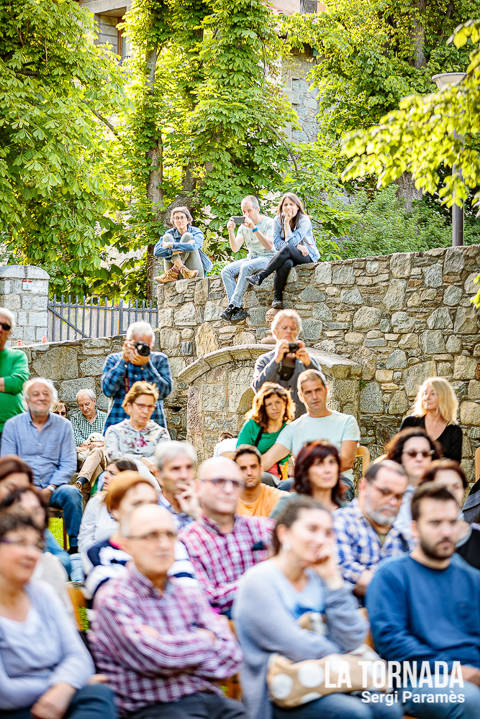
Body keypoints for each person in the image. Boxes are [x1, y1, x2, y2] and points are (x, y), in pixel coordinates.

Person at [234, 496, 400, 719]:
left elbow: (352, 638)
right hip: (278, 691)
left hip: (327, 680)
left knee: (387, 708)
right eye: (312, 529)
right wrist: (345, 660)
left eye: (327, 532)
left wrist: (333, 581)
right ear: (284, 534)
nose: (321, 539)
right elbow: (294, 645)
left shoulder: (320, 578)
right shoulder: (259, 581)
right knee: (353, 714)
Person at [90, 504, 245, 719]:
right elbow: (155, 657)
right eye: (151, 536)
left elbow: (231, 655)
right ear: (126, 545)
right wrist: (205, 640)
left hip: (210, 702)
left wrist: (167, 645)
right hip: (155, 709)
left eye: (170, 535)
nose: (163, 544)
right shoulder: (114, 599)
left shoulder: (188, 592)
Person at [366, 482, 480, 719]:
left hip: (473, 673)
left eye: (452, 522)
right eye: (436, 523)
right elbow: (392, 642)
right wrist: (454, 670)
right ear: (415, 529)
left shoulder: (471, 578)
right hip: (416, 680)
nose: (446, 532)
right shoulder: (391, 575)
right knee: (468, 698)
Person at [0, 512, 116, 718]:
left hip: (62, 694)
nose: (31, 554)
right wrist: (66, 684)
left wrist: (63, 688)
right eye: (20, 543)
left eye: (37, 545)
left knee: (100, 694)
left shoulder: (42, 593)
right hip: (14, 708)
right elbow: (4, 692)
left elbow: (79, 657)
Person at [179, 456, 272, 616]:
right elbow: (207, 602)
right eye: (219, 482)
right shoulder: (187, 542)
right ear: (197, 487)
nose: (229, 490)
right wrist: (262, 579)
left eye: (235, 483)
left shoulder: (264, 528)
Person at [83, 471, 195, 600]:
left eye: (152, 503)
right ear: (115, 510)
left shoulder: (171, 545)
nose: (147, 510)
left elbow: (190, 593)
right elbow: (116, 602)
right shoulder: (97, 554)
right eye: (137, 504)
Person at [1, 378, 81, 553]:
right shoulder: (12, 426)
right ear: (27, 400)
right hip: (23, 490)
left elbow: (68, 463)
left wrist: (51, 488)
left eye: (46, 394)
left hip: (54, 488)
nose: (41, 398)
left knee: (73, 493)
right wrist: (28, 488)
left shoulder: (64, 426)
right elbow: (8, 464)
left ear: (52, 400)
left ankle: (75, 550)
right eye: (35, 394)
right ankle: (33, 547)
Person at [262, 369, 360, 493]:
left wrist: (309, 472)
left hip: (337, 481)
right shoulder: (293, 428)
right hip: (303, 484)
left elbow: (347, 461)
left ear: (326, 390)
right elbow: (267, 460)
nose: (314, 397)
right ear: (301, 396)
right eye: (308, 392)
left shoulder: (346, 421)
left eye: (318, 390)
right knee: (274, 484)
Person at [333, 460, 410, 599]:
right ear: (363, 487)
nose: (392, 502)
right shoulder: (338, 522)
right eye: (385, 492)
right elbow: (342, 571)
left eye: (398, 496)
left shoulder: (403, 533)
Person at [0, 487, 73, 613]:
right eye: (21, 509)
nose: (29, 516)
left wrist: (51, 562)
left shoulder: (49, 570)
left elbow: (64, 560)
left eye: (36, 511)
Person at [246, 192, 320, 309]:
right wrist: (296, 246)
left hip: (308, 256)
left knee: (287, 248)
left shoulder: (304, 220)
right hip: (289, 255)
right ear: (281, 207)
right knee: (286, 263)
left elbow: (290, 243)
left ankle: (261, 276)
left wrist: (286, 224)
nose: (288, 207)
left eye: (291, 204)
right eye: (285, 205)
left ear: (297, 206)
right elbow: (276, 245)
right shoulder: (277, 220)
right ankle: (277, 299)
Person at [0, 454, 70, 572]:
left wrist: (44, 562)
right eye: (11, 488)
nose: (17, 497)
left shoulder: (28, 520)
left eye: (22, 491)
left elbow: (64, 560)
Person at [101, 320, 172, 432]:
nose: (141, 349)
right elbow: (108, 390)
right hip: (118, 427)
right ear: (128, 342)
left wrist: (147, 365)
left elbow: (164, 392)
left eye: (146, 345)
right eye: (138, 344)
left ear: (152, 345)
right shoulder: (114, 360)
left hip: (153, 430)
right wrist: (123, 362)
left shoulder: (159, 360)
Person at [252, 310, 320, 419]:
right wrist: (276, 361)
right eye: (284, 328)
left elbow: (321, 391)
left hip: (302, 425)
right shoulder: (264, 361)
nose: (289, 331)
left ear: (297, 333)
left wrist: (309, 364)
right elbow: (258, 388)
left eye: (293, 328)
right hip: (273, 427)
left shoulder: (307, 360)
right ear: (275, 333)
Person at [220, 195, 275, 323]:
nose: (246, 214)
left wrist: (254, 228)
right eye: (244, 211)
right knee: (226, 271)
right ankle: (237, 309)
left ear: (257, 209)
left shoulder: (269, 223)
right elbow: (235, 248)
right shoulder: (243, 227)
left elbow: (269, 246)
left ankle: (232, 305)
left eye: (249, 210)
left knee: (246, 267)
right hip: (251, 257)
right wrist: (230, 231)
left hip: (268, 257)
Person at [104, 381, 169, 485]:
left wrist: (131, 458)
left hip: (153, 487)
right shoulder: (114, 432)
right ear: (129, 406)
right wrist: (143, 461)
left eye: (150, 407)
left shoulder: (161, 434)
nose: (146, 411)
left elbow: (164, 461)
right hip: (120, 485)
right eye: (141, 406)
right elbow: (115, 459)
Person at [419, 459, 480, 570]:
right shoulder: (413, 535)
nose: (450, 492)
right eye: (442, 486)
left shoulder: (477, 537)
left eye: (456, 486)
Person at [385, 427, 441, 536]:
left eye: (425, 454)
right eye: (412, 453)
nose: (419, 458)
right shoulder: (386, 494)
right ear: (400, 456)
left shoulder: (441, 493)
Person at [271, 440, 347, 519]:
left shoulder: (345, 508)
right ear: (305, 471)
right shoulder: (288, 505)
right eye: (319, 464)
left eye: (332, 462)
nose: (328, 470)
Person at [237, 382, 295, 483]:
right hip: (251, 476)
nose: (274, 407)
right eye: (269, 404)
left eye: (278, 402)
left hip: (280, 478)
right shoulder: (252, 426)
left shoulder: (289, 429)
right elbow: (241, 457)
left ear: (285, 404)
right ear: (263, 407)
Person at [78, 458, 137, 555]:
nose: (105, 476)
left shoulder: (139, 506)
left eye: (112, 474)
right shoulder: (96, 502)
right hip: (93, 559)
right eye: (106, 472)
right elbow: (84, 539)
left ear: (127, 478)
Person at [400, 376, 462, 462]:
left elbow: (454, 464)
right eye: (425, 393)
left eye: (433, 393)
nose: (427, 397)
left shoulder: (454, 430)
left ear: (444, 398)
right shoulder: (410, 423)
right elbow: (397, 453)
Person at [153, 205, 212, 282]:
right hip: (176, 274)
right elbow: (156, 252)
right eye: (176, 218)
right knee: (167, 237)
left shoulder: (196, 232)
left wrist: (171, 245)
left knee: (187, 236)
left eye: (182, 217)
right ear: (173, 221)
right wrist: (174, 251)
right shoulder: (169, 233)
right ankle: (181, 269)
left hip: (194, 271)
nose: (179, 220)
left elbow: (193, 247)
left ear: (188, 220)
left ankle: (176, 269)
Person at [154, 440, 200, 529]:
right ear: (159, 476)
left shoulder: (206, 505)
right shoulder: (150, 508)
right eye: (175, 469)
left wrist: (197, 514)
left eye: (189, 467)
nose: (184, 476)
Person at [0, 307, 29, 442]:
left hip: (14, 431)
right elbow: (10, 383)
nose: (0, 329)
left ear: (10, 331)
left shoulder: (18, 356)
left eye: (5, 326)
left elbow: (17, 383)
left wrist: (11, 383)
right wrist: (6, 382)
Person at [71, 389, 108, 494]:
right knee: (95, 466)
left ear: (94, 401)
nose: (85, 408)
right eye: (81, 405)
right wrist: (95, 445)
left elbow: (110, 440)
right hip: (86, 460)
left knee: (97, 451)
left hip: (104, 459)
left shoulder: (105, 417)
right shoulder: (75, 418)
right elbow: (75, 439)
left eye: (87, 404)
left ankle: (80, 481)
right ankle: (101, 496)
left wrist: (93, 445)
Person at [234, 445, 287, 517]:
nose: (249, 472)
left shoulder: (277, 498)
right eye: (243, 468)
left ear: (261, 469)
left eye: (253, 467)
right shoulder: (228, 501)